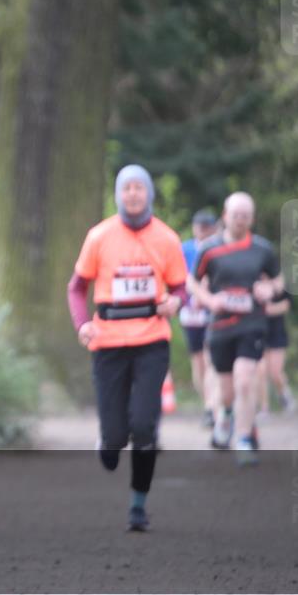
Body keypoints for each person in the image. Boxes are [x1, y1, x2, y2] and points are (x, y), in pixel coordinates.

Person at [67, 164, 189, 532]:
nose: (133, 194)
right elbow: (76, 288)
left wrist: (176, 303)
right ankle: (108, 440)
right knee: (117, 436)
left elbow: (180, 287)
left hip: (152, 340)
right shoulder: (99, 236)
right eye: (126, 188)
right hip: (108, 344)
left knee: (144, 426)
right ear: (118, 194)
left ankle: (138, 505)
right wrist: (82, 324)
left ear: (148, 193)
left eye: (139, 188)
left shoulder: (167, 238)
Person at [188, 192, 283, 466]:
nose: (240, 220)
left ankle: (243, 439)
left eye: (245, 216)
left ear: (252, 218)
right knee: (227, 388)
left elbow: (278, 280)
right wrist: (210, 300)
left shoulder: (262, 249)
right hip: (220, 326)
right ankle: (226, 414)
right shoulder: (209, 249)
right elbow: (193, 282)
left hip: (252, 323)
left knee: (245, 379)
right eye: (235, 215)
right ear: (225, 215)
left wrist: (269, 288)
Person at [179, 209, 219, 428]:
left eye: (207, 226)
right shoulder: (184, 249)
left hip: (211, 310)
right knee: (198, 361)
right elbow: (177, 277)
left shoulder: (218, 248)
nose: (203, 230)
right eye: (199, 226)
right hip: (190, 312)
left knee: (211, 357)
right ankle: (207, 403)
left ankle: (212, 407)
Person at [257, 289, 296, 415]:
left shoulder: (281, 282)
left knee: (275, 372)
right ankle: (264, 407)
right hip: (258, 332)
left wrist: (268, 309)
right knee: (261, 370)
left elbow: (286, 305)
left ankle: (284, 394)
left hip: (276, 332)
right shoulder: (252, 278)